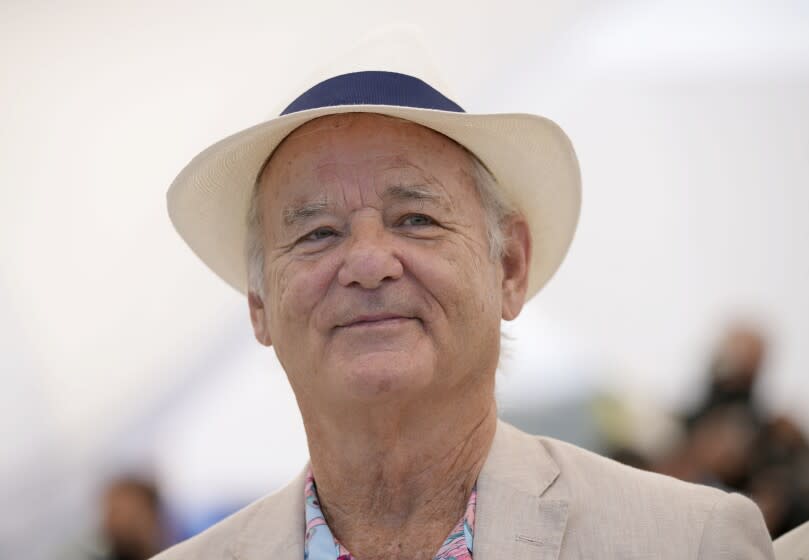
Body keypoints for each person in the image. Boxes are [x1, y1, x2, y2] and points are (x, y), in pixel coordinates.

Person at [154, 46, 775, 559]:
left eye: (416, 218)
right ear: (259, 304)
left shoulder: (688, 541)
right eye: (317, 233)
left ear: (509, 266)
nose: (369, 264)